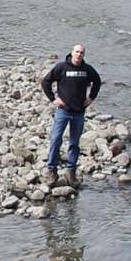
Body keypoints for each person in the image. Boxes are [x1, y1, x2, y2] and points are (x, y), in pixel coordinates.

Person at [41, 44, 101, 187]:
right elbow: (46, 82)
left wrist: (91, 98)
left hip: (79, 112)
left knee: (74, 143)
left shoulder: (87, 70)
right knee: (55, 139)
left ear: (83, 55)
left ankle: (70, 171)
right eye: (76, 52)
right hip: (63, 111)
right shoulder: (61, 67)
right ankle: (52, 171)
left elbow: (97, 82)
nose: (78, 55)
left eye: (81, 53)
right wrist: (53, 99)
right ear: (71, 52)